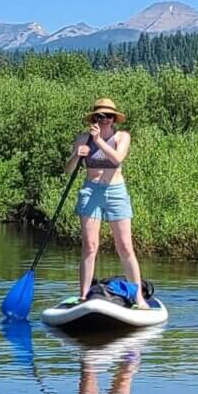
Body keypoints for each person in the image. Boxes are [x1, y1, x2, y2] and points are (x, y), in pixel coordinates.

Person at [72, 98, 150, 307]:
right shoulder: (83, 138)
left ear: (114, 119)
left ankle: (138, 296)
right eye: (100, 116)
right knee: (89, 246)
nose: (104, 120)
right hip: (90, 191)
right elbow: (68, 170)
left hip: (116, 191)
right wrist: (76, 157)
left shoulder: (122, 136)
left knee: (125, 246)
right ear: (94, 118)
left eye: (108, 116)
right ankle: (84, 295)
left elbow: (117, 159)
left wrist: (98, 142)